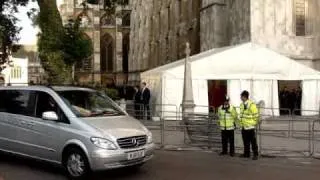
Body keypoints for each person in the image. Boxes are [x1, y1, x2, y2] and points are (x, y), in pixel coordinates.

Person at [239, 90, 259, 160]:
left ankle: (255, 154)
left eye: (241, 96)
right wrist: (241, 124)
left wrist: (253, 123)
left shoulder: (251, 105)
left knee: (253, 142)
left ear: (244, 97)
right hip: (243, 127)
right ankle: (246, 154)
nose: (240, 98)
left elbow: (256, 116)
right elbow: (241, 115)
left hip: (250, 127)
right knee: (245, 141)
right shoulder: (241, 105)